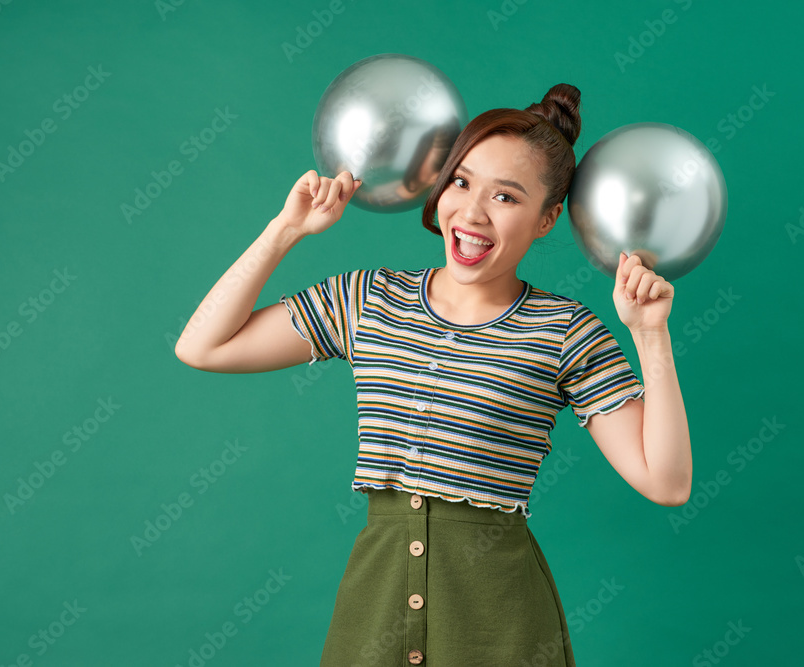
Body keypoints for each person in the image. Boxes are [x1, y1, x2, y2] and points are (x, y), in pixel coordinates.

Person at [175, 82, 692, 666]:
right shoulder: (368, 299)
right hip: (373, 614)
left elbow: (666, 484)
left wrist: (651, 335)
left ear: (547, 219)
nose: (470, 213)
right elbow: (203, 345)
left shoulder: (565, 330)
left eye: (506, 197)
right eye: (462, 181)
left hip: (500, 626)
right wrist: (285, 230)